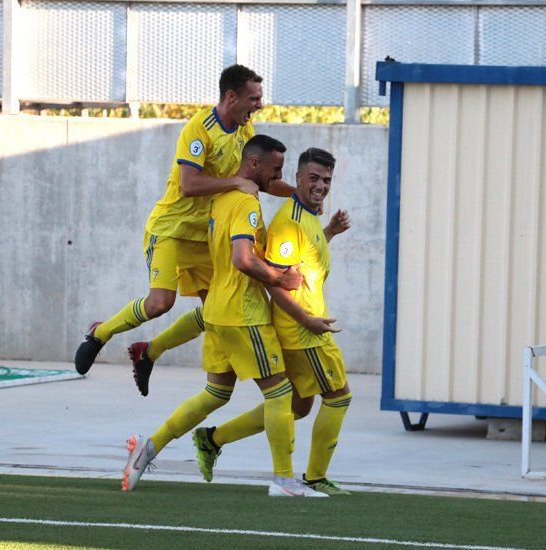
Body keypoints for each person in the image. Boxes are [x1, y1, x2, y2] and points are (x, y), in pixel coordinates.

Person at [122, 135, 325, 498]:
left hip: (216, 310)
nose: (278, 177)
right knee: (281, 394)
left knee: (215, 394)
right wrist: (279, 278)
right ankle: (284, 481)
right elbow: (243, 259)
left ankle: (149, 448)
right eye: (275, 169)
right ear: (254, 166)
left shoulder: (221, 199)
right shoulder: (247, 203)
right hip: (243, 315)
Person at [74, 65, 293, 395]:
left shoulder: (246, 132)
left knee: (215, 310)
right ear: (231, 96)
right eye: (254, 98)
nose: (259, 105)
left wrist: (301, 193)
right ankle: (100, 334)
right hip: (172, 230)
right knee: (161, 302)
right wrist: (235, 181)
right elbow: (189, 185)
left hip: (206, 237)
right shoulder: (198, 130)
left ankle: (148, 352)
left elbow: (262, 181)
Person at [190, 147, 354, 496]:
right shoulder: (288, 222)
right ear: (296, 178)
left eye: (326, 180)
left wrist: (330, 232)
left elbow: (303, 259)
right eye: (313, 178)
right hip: (303, 331)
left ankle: (213, 438)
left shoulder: (309, 216)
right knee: (338, 397)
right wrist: (308, 320)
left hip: (306, 326)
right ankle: (312, 478)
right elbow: (276, 282)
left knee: (298, 405)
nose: (321, 186)